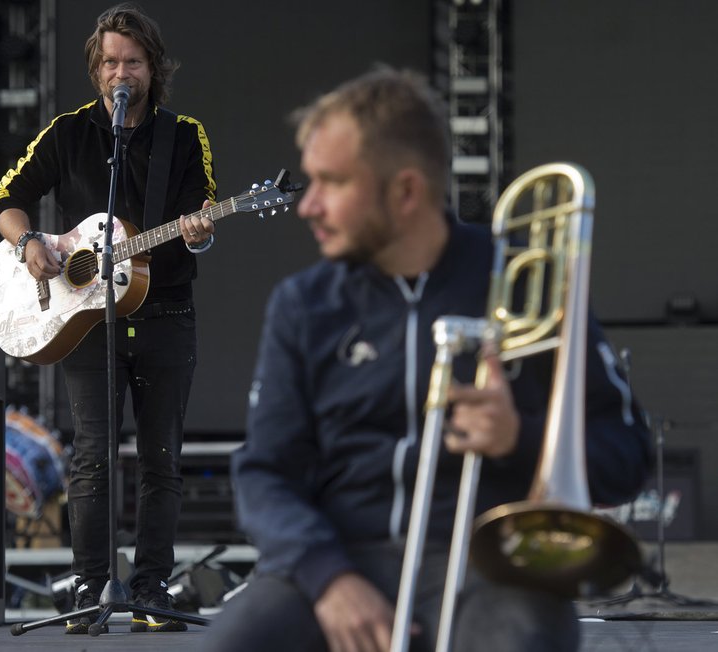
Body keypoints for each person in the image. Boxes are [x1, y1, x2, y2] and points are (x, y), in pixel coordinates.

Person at [202, 67, 652, 652]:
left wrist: (520, 437)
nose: (306, 205)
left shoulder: (527, 284)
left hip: (491, 566)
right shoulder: (304, 304)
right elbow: (265, 473)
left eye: (330, 182)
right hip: (339, 559)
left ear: (405, 192)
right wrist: (328, 578)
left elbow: (627, 451)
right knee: (235, 643)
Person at [0, 3, 216, 634]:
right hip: (86, 318)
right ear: (96, 69)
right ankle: (93, 585)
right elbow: (8, 200)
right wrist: (30, 242)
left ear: (154, 69)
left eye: (134, 62)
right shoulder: (67, 133)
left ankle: (150, 589)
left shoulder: (184, 133)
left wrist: (199, 231)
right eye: (111, 61)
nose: (123, 73)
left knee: (160, 457)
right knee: (91, 456)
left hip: (165, 310)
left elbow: (201, 218)